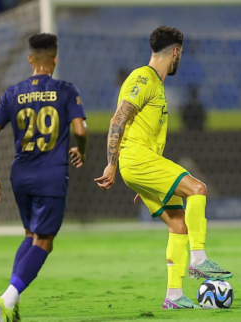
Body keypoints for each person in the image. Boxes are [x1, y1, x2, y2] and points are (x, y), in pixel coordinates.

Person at [94, 26, 232, 310]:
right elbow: (117, 119)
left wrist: (144, 182)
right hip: (136, 159)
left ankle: (174, 296)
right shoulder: (143, 78)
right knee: (198, 189)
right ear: (176, 51)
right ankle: (199, 260)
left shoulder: (156, 84)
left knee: (179, 224)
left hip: (141, 165)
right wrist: (112, 165)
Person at [0, 33, 88, 322]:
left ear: (30, 59)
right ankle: (7, 298)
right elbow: (80, 130)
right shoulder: (66, 90)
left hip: (20, 174)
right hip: (50, 176)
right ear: (54, 60)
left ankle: (12, 303)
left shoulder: (11, 92)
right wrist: (81, 151)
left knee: (30, 236)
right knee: (44, 241)